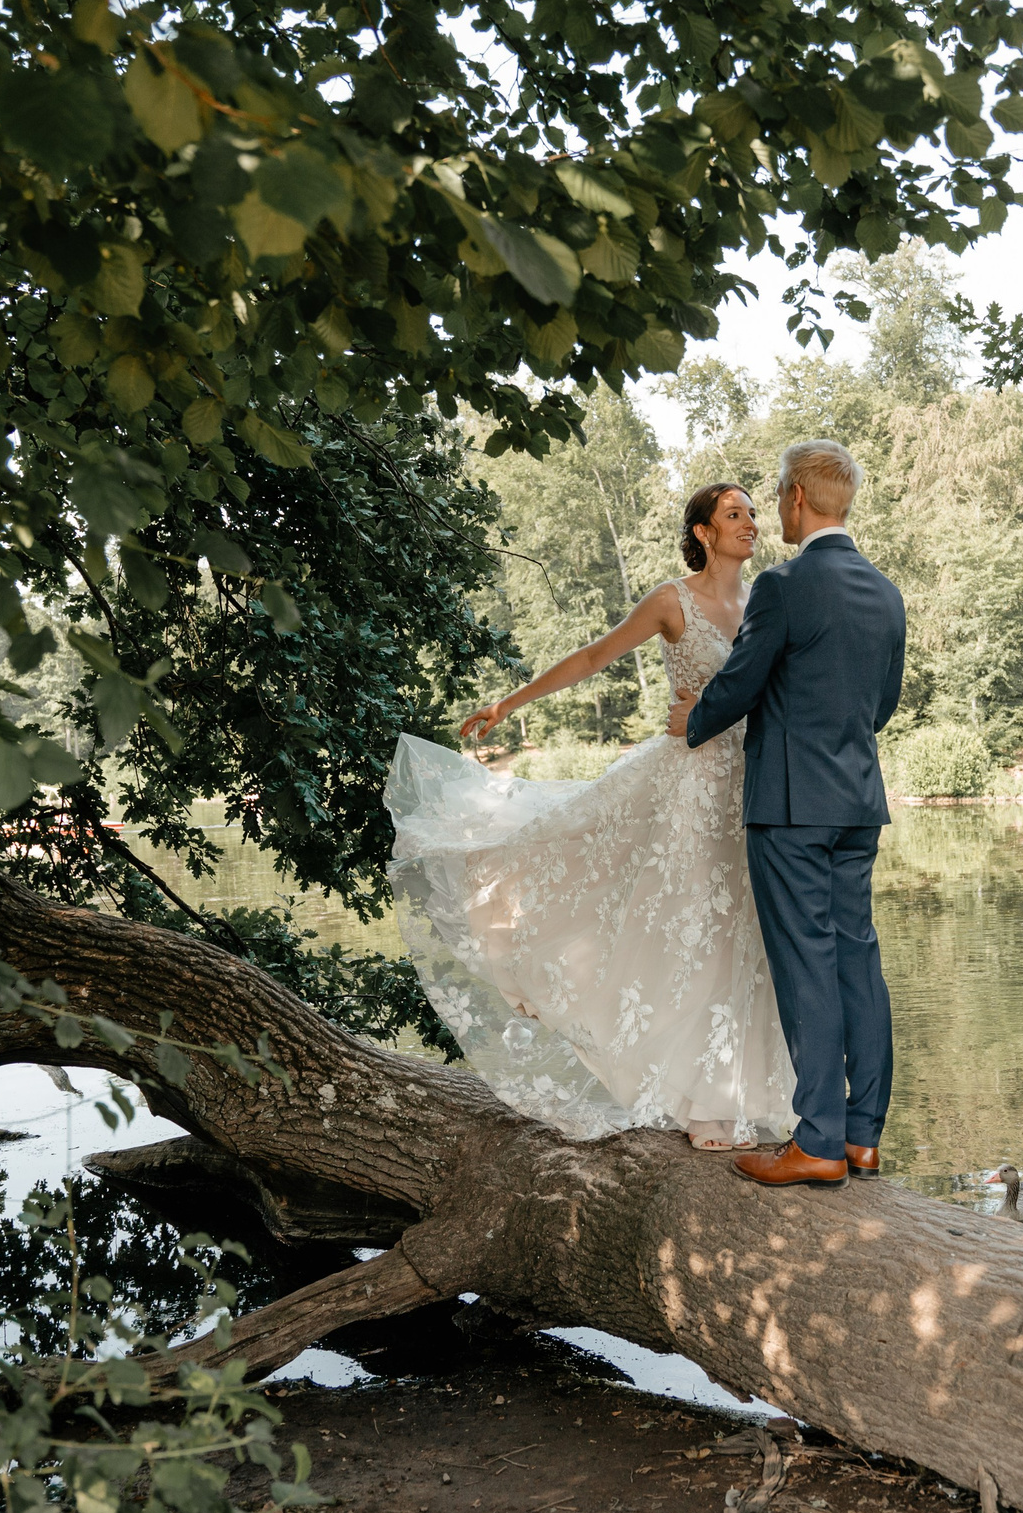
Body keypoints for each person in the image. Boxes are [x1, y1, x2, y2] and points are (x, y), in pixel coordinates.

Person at [385, 482, 795, 1150]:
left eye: (752, 512)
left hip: (751, 784)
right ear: (702, 532)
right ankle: (701, 1108)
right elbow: (593, 657)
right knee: (689, 925)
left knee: (739, 933)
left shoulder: (766, 603)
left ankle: (733, 1092)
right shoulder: (672, 600)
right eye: (734, 514)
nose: (751, 523)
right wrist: (510, 704)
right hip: (688, 782)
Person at [669, 439, 906, 1189]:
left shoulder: (784, 584)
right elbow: (884, 707)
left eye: (777, 497)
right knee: (857, 961)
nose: (775, 510)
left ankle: (818, 1145)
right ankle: (864, 1138)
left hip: (790, 804)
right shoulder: (885, 591)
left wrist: (693, 722)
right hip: (858, 803)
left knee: (806, 966)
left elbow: (739, 682)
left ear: (798, 499)